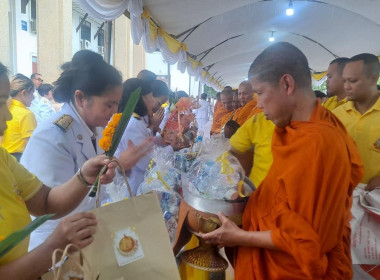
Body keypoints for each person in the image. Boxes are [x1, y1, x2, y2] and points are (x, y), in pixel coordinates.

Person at [201, 42, 364, 279]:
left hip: (291, 268)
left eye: (261, 92)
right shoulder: (305, 125)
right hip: (269, 248)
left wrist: (238, 237)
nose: (257, 104)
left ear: (286, 84)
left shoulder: (318, 142)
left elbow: (307, 239)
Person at [21, 51, 151, 251]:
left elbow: (98, 186)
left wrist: (116, 169)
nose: (115, 112)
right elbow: (53, 209)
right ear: (81, 98)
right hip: (53, 248)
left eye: (117, 104)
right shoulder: (52, 136)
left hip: (84, 235)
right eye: (109, 104)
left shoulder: (95, 128)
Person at [0, 62, 117, 280]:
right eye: (0, 103)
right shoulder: (53, 133)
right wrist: (52, 247)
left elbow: (45, 201)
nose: (8, 116)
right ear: (81, 98)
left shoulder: (2, 158)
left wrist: (84, 176)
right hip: (48, 254)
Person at [115, 78, 171, 195]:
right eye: (150, 97)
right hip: (134, 185)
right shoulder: (134, 123)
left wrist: (161, 138)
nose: (153, 103)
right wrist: (171, 149)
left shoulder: (137, 120)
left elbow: (146, 141)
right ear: (142, 99)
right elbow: (145, 162)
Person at [333, 53, 380, 188]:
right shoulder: (336, 115)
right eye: (344, 81)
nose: (346, 87)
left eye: (352, 81)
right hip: (342, 192)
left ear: (373, 79)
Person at [1, 74, 36, 161]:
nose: (34, 97)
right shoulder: (26, 114)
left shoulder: (5, 109)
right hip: (18, 160)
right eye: (32, 93)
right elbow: (32, 146)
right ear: (24, 92)